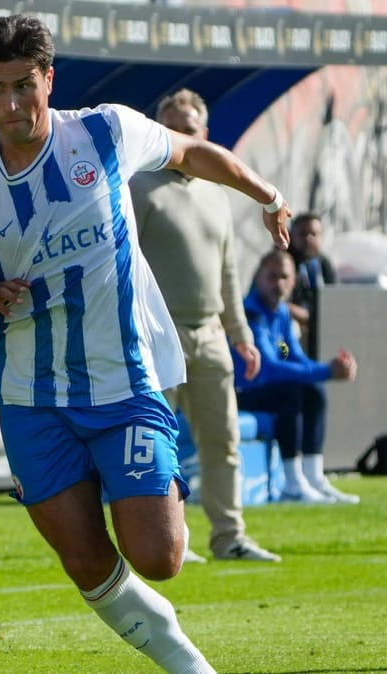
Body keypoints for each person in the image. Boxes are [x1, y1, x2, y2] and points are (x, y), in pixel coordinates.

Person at [0, 15, 291, 673]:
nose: (10, 105)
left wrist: (265, 194)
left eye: (23, 86)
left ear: (49, 79)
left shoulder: (104, 132)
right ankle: (184, 660)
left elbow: (189, 153)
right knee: (86, 561)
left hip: (123, 383)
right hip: (30, 397)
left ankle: (143, 498)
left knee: (160, 556)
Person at [132, 89, 280, 564]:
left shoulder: (217, 194)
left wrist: (241, 335)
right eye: (171, 128)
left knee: (224, 441)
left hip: (211, 334)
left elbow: (228, 270)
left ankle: (229, 536)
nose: (181, 137)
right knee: (157, 443)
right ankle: (169, 539)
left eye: (189, 129)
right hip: (157, 333)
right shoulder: (138, 187)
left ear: (205, 135)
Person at [234, 249, 358, 504]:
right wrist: (326, 371)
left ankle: (313, 477)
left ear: (293, 282)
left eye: (284, 277)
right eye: (271, 276)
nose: (278, 284)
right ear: (258, 277)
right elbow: (268, 367)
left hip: (268, 391)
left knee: (313, 391)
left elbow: (292, 356)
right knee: (289, 394)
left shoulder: (281, 313)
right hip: (242, 392)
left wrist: (329, 368)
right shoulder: (250, 313)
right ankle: (292, 484)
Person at [286, 212, 336, 359]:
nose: (309, 239)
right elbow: (278, 305)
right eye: (302, 234)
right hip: (288, 331)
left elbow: (335, 299)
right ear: (291, 235)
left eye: (314, 234)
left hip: (320, 326)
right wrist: (308, 316)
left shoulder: (323, 264)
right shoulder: (282, 262)